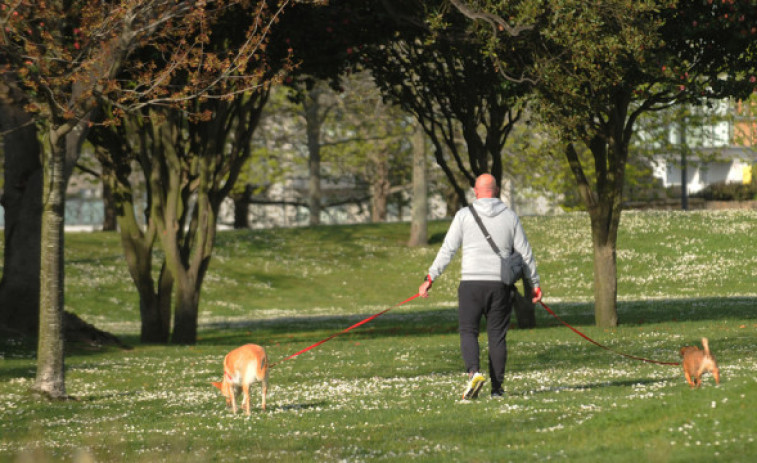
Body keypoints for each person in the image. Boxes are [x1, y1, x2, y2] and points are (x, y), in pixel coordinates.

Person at [418, 173, 542, 400]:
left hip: (471, 284)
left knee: (468, 331)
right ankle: (497, 389)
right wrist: (534, 284)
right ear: (495, 191)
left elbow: (448, 249)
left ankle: (473, 373)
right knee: (497, 336)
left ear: (476, 191)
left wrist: (430, 277)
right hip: (499, 285)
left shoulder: (464, 215)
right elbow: (525, 253)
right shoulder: (510, 216)